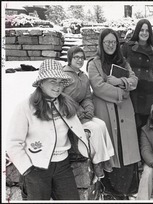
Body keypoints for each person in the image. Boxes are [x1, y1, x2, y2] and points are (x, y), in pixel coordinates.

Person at [6, 59, 92, 200]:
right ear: (41, 82)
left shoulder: (66, 104)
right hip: (36, 167)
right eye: (53, 81)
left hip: (63, 166)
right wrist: (27, 169)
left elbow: (74, 127)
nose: (57, 86)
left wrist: (86, 134)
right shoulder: (25, 107)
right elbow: (13, 142)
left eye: (60, 82)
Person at [87, 28, 141, 200]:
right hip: (105, 112)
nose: (110, 45)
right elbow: (98, 87)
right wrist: (121, 93)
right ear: (101, 44)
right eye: (107, 42)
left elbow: (134, 80)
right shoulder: (94, 63)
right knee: (112, 149)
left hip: (124, 112)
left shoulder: (123, 62)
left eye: (113, 42)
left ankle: (127, 189)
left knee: (125, 149)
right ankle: (111, 191)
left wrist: (121, 81)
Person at [63, 46, 115, 181]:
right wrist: (78, 110)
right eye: (76, 57)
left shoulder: (84, 77)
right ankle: (98, 162)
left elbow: (87, 97)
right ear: (70, 59)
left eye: (82, 57)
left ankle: (107, 158)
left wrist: (89, 109)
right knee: (95, 128)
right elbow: (63, 98)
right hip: (68, 115)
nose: (80, 60)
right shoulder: (64, 75)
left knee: (102, 124)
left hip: (81, 113)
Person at [121, 19, 153, 138]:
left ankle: (145, 153)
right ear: (137, 31)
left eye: (147, 30)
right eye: (141, 30)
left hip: (149, 92)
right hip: (132, 90)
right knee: (132, 122)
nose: (144, 33)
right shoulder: (127, 47)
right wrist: (123, 82)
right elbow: (119, 65)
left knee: (147, 125)